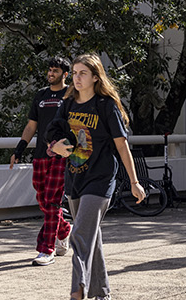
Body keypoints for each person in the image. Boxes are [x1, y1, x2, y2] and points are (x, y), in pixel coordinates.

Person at [47, 53, 146, 300]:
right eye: (75, 73)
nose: (77, 78)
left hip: (101, 180)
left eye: (83, 73)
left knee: (80, 234)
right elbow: (53, 133)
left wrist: (134, 182)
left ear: (95, 77)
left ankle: (77, 290)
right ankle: (102, 294)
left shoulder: (105, 106)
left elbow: (122, 146)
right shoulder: (68, 104)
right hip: (75, 178)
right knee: (92, 236)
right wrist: (55, 146)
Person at [10, 56, 74, 265]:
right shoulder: (41, 95)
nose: (50, 74)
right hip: (40, 155)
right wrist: (19, 149)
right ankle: (64, 229)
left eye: (55, 71)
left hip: (61, 155)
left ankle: (47, 249)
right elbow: (31, 125)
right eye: (49, 70)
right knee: (43, 201)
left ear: (65, 74)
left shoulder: (71, 95)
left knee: (52, 201)